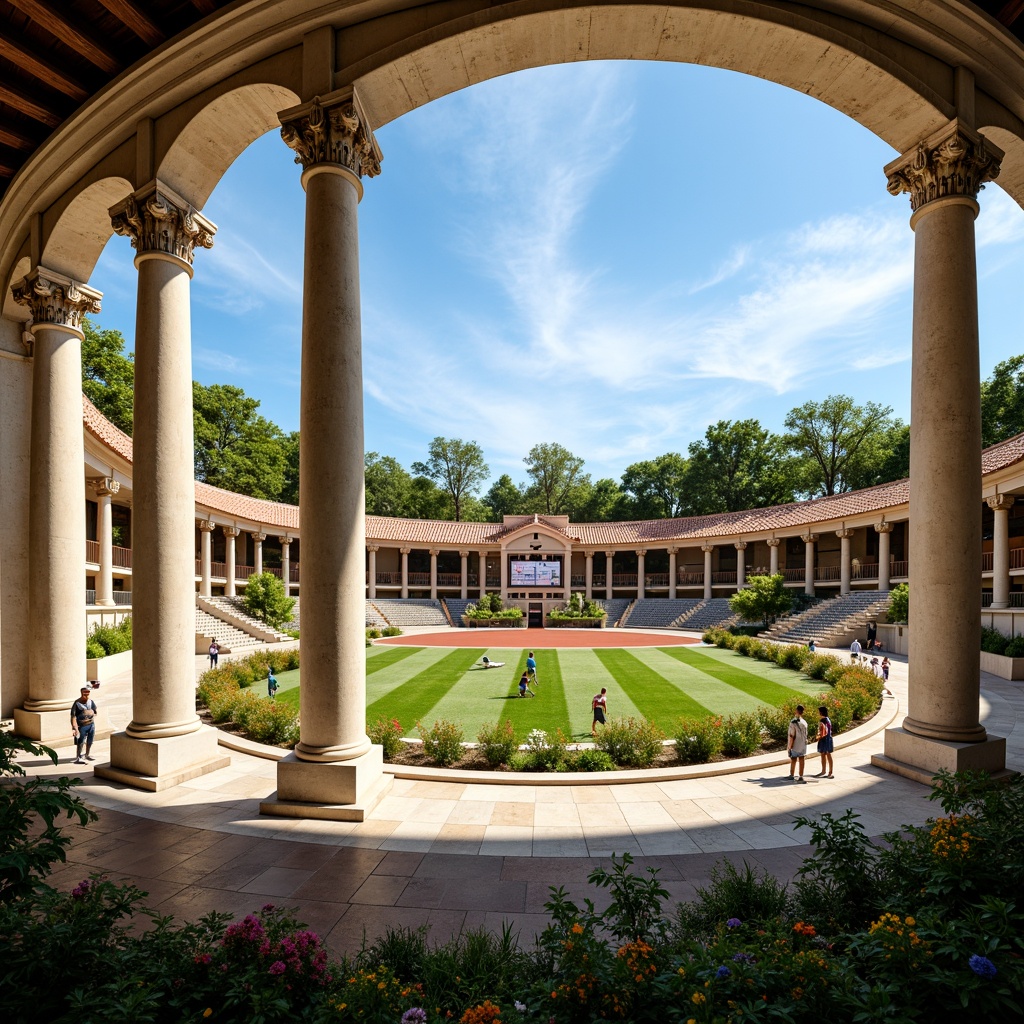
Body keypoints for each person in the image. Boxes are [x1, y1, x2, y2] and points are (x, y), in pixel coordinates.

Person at [71, 685, 98, 764]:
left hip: (91, 724)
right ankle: (78, 756)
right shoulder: (77, 703)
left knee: (90, 740)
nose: (86, 695)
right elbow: (73, 716)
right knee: (81, 741)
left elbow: (95, 711)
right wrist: (74, 728)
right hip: (82, 726)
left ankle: (87, 754)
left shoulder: (91, 702)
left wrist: (92, 714)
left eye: (88, 693)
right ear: (81, 693)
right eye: (84, 693)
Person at [787, 704, 808, 782]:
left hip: (796, 743)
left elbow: (791, 735)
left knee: (793, 759)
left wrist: (789, 746)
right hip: (803, 744)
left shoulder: (793, 722)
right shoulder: (805, 722)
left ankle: (792, 775)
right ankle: (801, 775)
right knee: (802, 758)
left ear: (796, 711)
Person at [813, 704, 834, 778]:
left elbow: (822, 732)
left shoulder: (823, 721)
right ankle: (829, 771)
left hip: (824, 739)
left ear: (821, 713)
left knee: (825, 755)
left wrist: (818, 736)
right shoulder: (828, 719)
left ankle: (824, 771)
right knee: (827, 755)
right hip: (828, 739)